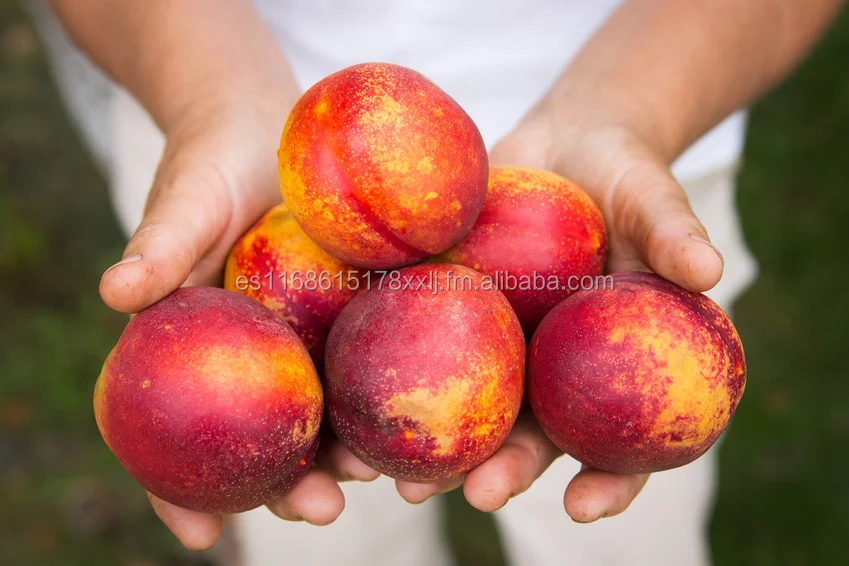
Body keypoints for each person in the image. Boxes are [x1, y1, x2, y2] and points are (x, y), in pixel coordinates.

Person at [33, 0, 843, 564]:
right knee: (319, 547)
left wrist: (630, 115)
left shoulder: (562, 236)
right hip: (234, 155)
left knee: (621, 545)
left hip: (638, 129)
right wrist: (210, 100)